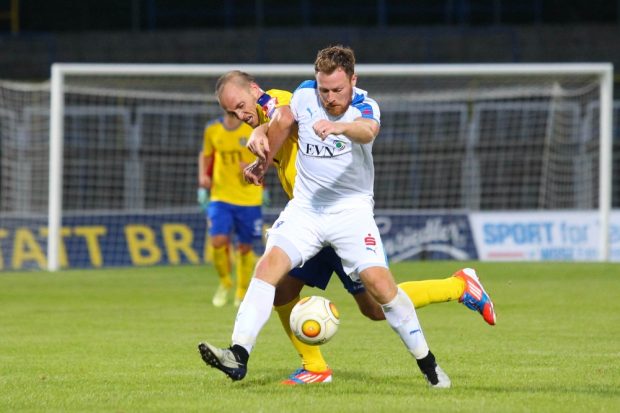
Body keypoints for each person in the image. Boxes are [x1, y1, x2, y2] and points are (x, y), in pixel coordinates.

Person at [199, 55, 495, 386]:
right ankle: (293, 363)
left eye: (241, 105)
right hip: (308, 216)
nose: (240, 116)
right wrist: (263, 154)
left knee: (377, 306)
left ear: (254, 90)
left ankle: (458, 286)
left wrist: (267, 131)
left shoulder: (282, 100)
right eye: (232, 113)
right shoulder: (296, 101)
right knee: (278, 286)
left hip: (345, 217)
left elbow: (281, 113)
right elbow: (285, 123)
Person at [198, 112, 263, 307]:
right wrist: (203, 180)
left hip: (249, 198)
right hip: (221, 196)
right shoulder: (212, 129)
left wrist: (253, 167)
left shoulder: (252, 128)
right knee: (218, 240)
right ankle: (225, 282)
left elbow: (268, 156)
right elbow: (206, 154)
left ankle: (242, 291)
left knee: (245, 247)